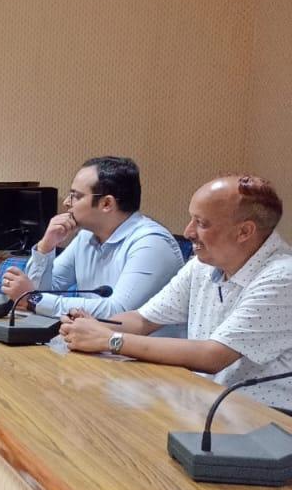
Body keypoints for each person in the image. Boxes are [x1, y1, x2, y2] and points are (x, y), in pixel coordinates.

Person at [61, 175, 292, 412]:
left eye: (201, 223)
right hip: (206, 403)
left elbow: (213, 356)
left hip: (267, 419)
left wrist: (110, 340)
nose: (188, 231)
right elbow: (143, 320)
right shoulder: (203, 264)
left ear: (244, 231)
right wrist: (92, 326)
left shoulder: (283, 277)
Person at [0, 157, 182, 318]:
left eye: (75, 196)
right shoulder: (86, 237)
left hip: (138, 346)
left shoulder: (152, 244)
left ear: (106, 203)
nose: (67, 202)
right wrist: (46, 247)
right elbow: (43, 292)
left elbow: (118, 312)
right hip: (90, 340)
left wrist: (35, 300)